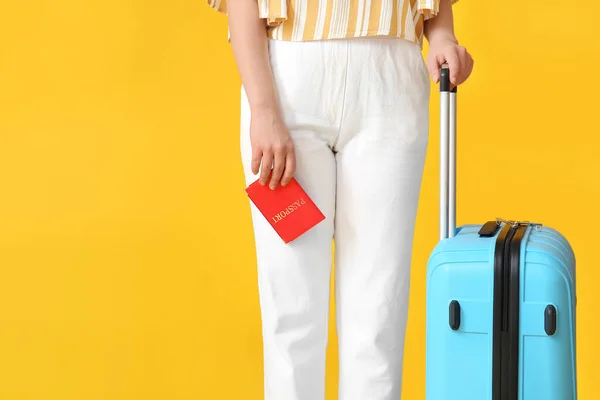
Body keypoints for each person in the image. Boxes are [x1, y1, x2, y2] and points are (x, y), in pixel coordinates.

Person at [207, 0, 473, 399]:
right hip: (287, 80)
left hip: (392, 77)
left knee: (379, 318)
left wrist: (442, 36)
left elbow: (435, 11)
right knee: (291, 318)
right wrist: (262, 108)